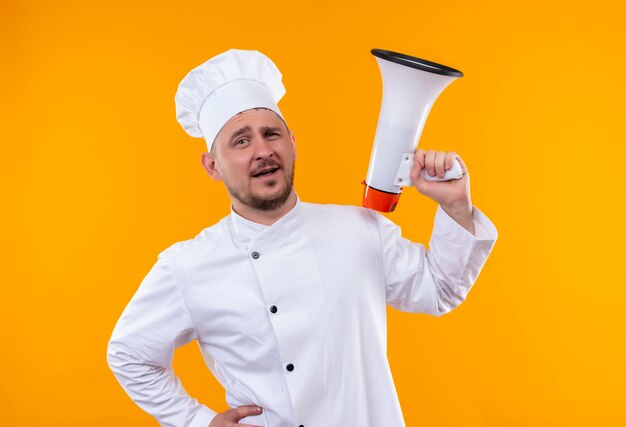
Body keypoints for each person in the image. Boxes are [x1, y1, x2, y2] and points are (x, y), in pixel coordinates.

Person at [107, 49, 498, 427]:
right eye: (241, 141)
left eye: (271, 134)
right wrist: (198, 422)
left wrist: (455, 207)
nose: (262, 151)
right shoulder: (187, 265)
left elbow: (440, 290)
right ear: (212, 165)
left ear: (292, 143)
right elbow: (128, 354)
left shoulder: (361, 229)